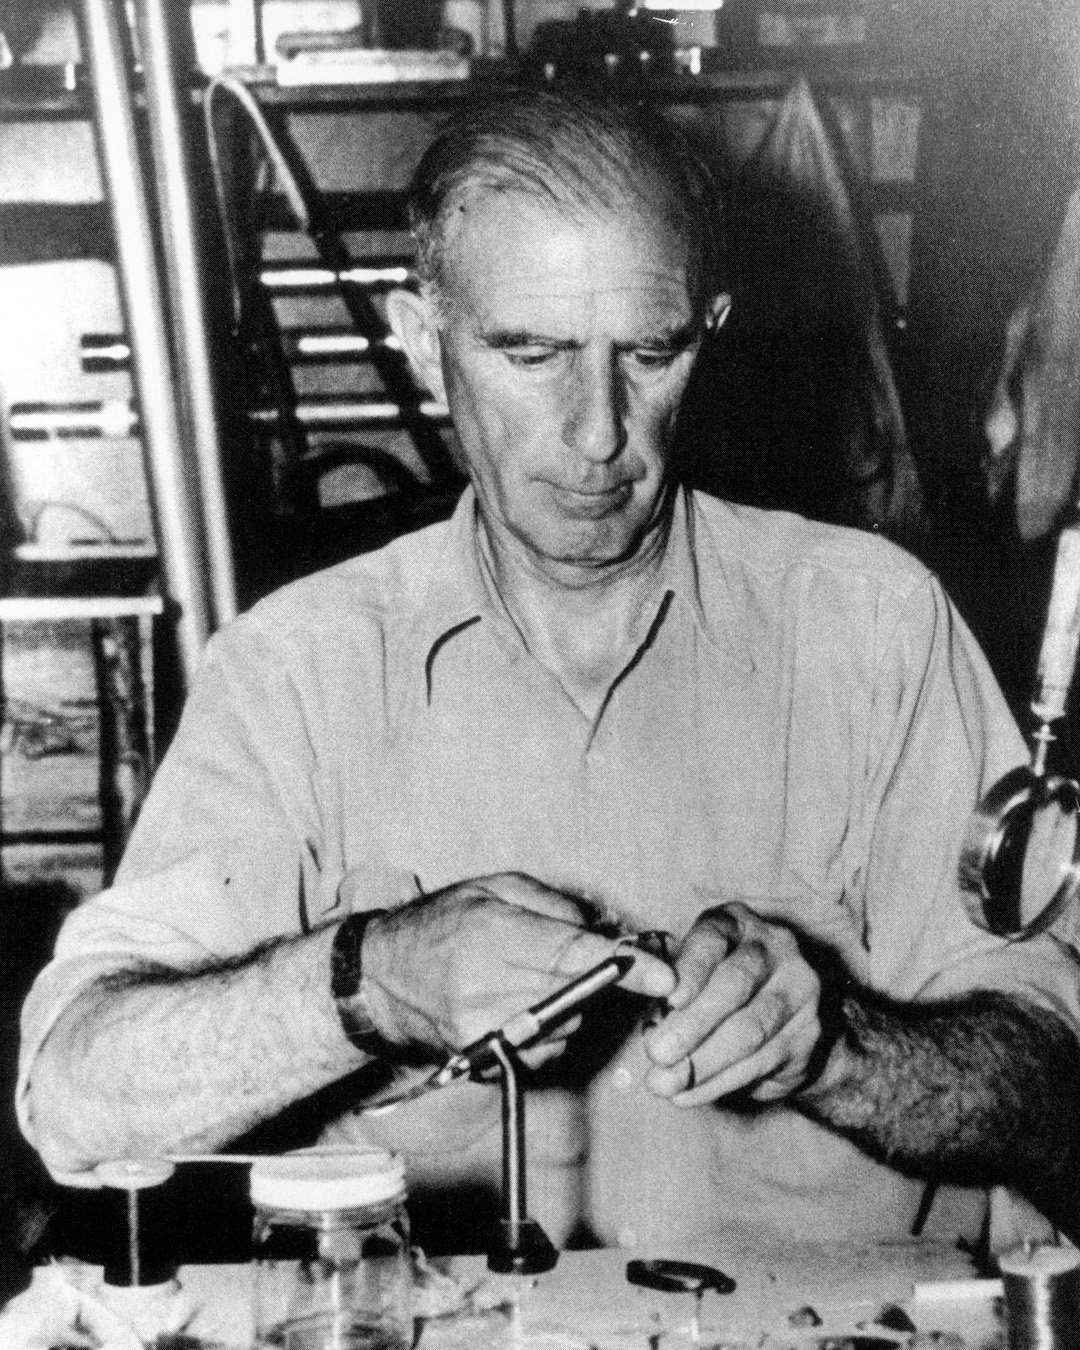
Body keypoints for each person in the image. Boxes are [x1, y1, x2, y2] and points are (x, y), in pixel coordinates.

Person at [17, 87, 1080, 1253]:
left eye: (651, 352)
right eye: (530, 352)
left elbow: (1056, 1088)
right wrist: (367, 982)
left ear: (708, 334)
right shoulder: (299, 672)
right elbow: (74, 1101)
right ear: (425, 344)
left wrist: (835, 1045)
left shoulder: (874, 629)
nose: (597, 432)